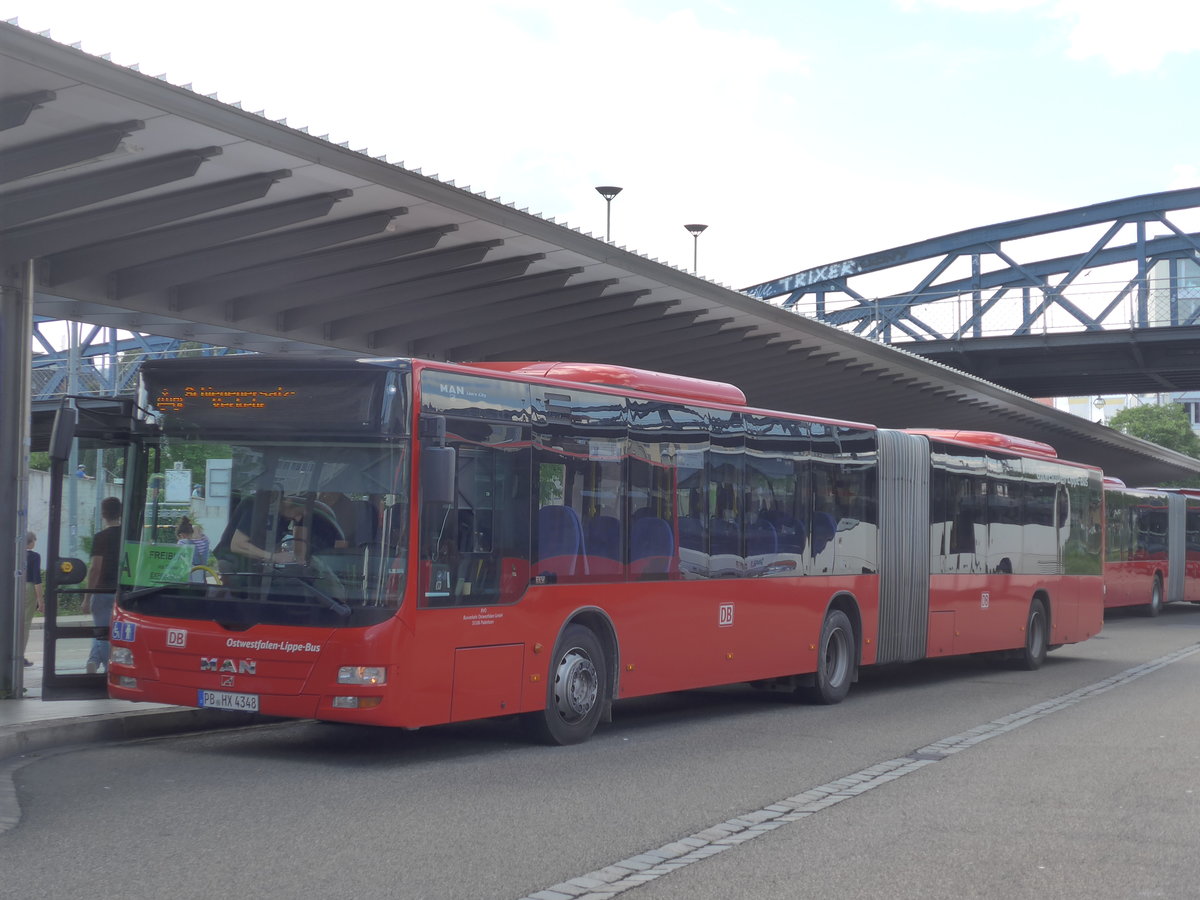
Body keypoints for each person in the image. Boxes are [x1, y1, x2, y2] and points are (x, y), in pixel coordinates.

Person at [83, 497, 122, 675]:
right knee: (111, 633)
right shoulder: (128, 536)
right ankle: (94, 661)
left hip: (101, 591)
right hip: (122, 593)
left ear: (103, 514)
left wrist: (87, 597)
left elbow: (95, 568)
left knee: (101, 633)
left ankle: (106, 669)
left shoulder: (101, 537)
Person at [22, 531, 43, 667]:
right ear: (30, 542)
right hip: (28, 589)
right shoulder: (34, 556)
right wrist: (41, 601)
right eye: (34, 540)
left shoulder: (14, 554)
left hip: (14, 588)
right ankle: (19, 655)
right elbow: (37, 579)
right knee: (25, 623)